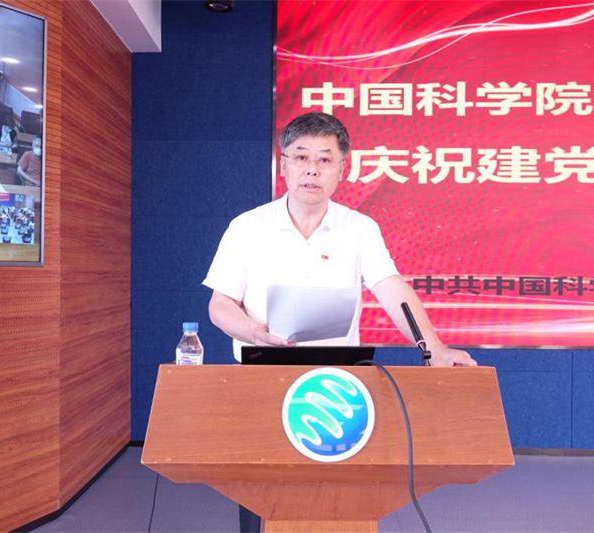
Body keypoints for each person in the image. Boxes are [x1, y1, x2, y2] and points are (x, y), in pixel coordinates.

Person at [202, 112, 476, 533]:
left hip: (337, 384)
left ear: (342, 169)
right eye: (301, 157)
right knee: (262, 495)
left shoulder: (360, 229)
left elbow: (392, 289)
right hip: (261, 375)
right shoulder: (247, 227)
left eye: (325, 159)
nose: (312, 169)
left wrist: (434, 348)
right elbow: (220, 305)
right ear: (283, 164)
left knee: (339, 494)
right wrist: (255, 332)